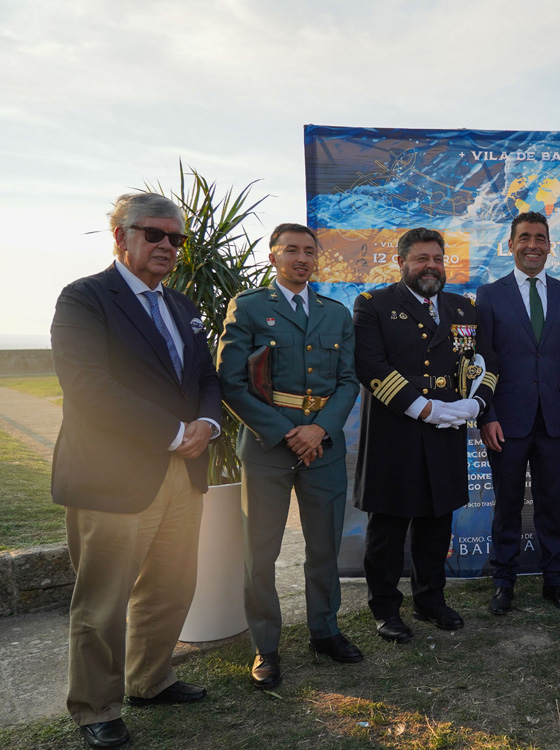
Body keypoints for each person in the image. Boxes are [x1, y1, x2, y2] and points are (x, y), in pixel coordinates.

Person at [51, 193, 221, 749]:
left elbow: (206, 377)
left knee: (172, 586)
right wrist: (172, 432)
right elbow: (87, 386)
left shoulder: (183, 305)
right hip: (114, 476)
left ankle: (150, 679)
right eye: (154, 234)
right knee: (103, 602)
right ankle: (96, 706)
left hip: (184, 472)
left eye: (177, 238)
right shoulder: (84, 298)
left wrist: (207, 423)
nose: (168, 246)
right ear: (120, 235)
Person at [217, 223, 363, 690]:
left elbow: (349, 381)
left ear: (317, 259)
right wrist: (288, 433)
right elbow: (231, 382)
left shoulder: (334, 313)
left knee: (324, 546)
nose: (301, 258)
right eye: (291, 250)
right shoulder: (249, 307)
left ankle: (325, 631)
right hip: (268, 448)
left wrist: (320, 428)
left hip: (323, 445)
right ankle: (266, 646)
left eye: (309, 252)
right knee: (261, 551)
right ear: (273, 257)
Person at [352, 227, 497, 642]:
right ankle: (385, 608)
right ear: (401, 263)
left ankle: (430, 600)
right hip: (395, 429)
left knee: (437, 521)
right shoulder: (374, 305)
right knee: (388, 527)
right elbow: (370, 364)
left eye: (437, 259)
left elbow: (487, 362)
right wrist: (422, 407)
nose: (431, 266)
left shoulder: (463, 308)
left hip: (447, 429)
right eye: (421, 259)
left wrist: (476, 404)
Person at [477, 212, 560, 615]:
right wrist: (486, 415)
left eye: (540, 238)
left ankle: (554, 580)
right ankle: (503, 582)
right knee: (507, 504)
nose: (533, 245)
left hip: (556, 420)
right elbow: (481, 362)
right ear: (511, 245)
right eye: (524, 237)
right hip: (506, 420)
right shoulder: (489, 294)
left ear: (549, 245)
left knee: (550, 503)